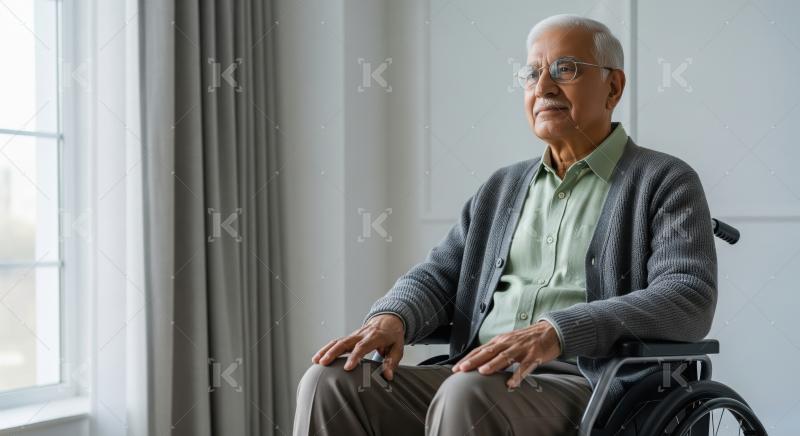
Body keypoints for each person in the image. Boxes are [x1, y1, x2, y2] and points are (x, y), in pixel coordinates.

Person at [293, 13, 717, 436]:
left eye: (565, 70)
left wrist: (559, 330)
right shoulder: (502, 188)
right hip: (473, 376)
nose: (544, 87)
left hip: (591, 386)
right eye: (532, 74)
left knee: (467, 394)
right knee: (330, 382)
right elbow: (440, 276)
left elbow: (687, 296)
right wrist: (393, 317)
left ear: (613, 87)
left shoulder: (663, 180)